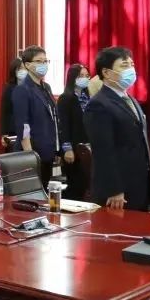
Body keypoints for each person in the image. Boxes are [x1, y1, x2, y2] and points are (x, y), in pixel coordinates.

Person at [83, 46, 150, 211]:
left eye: (132, 65)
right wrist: (114, 189)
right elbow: (103, 151)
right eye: (124, 65)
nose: (131, 69)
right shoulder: (99, 104)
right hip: (116, 190)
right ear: (106, 72)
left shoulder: (130, 99)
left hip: (138, 183)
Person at [12, 45, 60, 187]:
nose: (43, 64)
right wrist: (29, 154)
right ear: (27, 65)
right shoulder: (22, 89)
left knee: (44, 190)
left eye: (45, 61)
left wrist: (56, 149)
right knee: (32, 193)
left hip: (48, 149)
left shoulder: (46, 87)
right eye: (39, 61)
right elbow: (23, 125)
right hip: (32, 152)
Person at [57, 63, 92, 200]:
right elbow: (63, 125)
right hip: (72, 148)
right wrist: (67, 149)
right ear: (73, 78)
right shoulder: (66, 98)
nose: (85, 78)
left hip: (86, 147)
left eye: (87, 75)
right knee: (75, 185)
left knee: (84, 184)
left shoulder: (87, 97)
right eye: (81, 76)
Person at [0, 57, 26, 148]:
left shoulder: (31, 87)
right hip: (13, 130)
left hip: (29, 130)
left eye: (25, 68)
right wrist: (4, 134)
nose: (23, 71)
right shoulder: (9, 88)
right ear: (14, 71)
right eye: (20, 69)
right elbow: (4, 112)